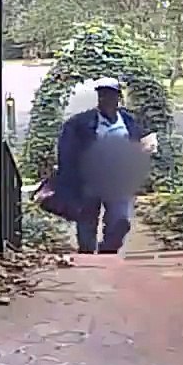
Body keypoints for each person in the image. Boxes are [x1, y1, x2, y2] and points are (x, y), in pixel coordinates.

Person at [54, 77, 154, 254]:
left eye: (110, 95)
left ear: (118, 98)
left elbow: (139, 142)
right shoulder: (80, 123)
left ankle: (107, 252)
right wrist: (68, 179)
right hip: (89, 179)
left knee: (120, 220)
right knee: (87, 221)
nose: (105, 99)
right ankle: (87, 256)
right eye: (102, 95)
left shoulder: (127, 121)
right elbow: (66, 152)